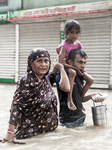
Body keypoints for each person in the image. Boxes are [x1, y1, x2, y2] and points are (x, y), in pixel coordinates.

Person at [2, 48, 70, 143]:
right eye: (39, 61)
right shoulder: (27, 81)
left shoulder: (45, 80)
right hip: (30, 135)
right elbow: (16, 105)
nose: (43, 64)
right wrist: (10, 132)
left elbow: (67, 88)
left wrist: (60, 67)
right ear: (31, 63)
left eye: (46, 61)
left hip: (48, 134)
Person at [55, 49, 105, 128]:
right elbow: (63, 86)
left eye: (85, 63)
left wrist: (91, 96)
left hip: (80, 118)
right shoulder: (62, 77)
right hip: (68, 122)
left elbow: (80, 99)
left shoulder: (80, 78)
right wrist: (61, 67)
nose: (83, 66)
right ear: (70, 62)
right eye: (80, 62)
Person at [56, 20, 93, 111]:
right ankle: (70, 98)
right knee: (72, 72)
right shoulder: (64, 45)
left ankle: (80, 98)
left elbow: (81, 57)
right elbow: (61, 63)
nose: (74, 35)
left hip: (75, 66)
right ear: (66, 32)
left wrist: (80, 68)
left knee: (90, 80)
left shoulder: (78, 44)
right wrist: (75, 68)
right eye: (72, 32)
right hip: (66, 68)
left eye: (77, 33)